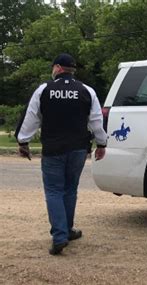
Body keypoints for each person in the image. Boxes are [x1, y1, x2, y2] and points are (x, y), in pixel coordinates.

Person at [15, 53, 107, 255]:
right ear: (72, 70)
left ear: (57, 68)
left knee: (54, 191)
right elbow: (96, 120)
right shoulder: (87, 91)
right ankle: (68, 230)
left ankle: (59, 235)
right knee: (70, 189)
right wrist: (101, 143)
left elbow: (31, 118)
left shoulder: (44, 89)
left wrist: (23, 142)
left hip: (53, 148)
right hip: (77, 149)